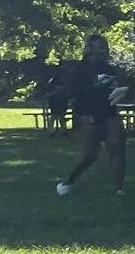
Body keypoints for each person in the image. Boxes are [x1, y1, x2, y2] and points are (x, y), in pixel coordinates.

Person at [53, 37, 125, 196]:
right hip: (87, 114)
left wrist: (120, 90)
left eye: (106, 47)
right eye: (100, 48)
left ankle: (119, 189)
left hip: (109, 111)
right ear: (89, 49)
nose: (105, 51)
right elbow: (70, 91)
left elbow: (116, 87)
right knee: (90, 155)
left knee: (116, 147)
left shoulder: (110, 69)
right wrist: (94, 86)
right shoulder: (79, 69)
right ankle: (68, 181)